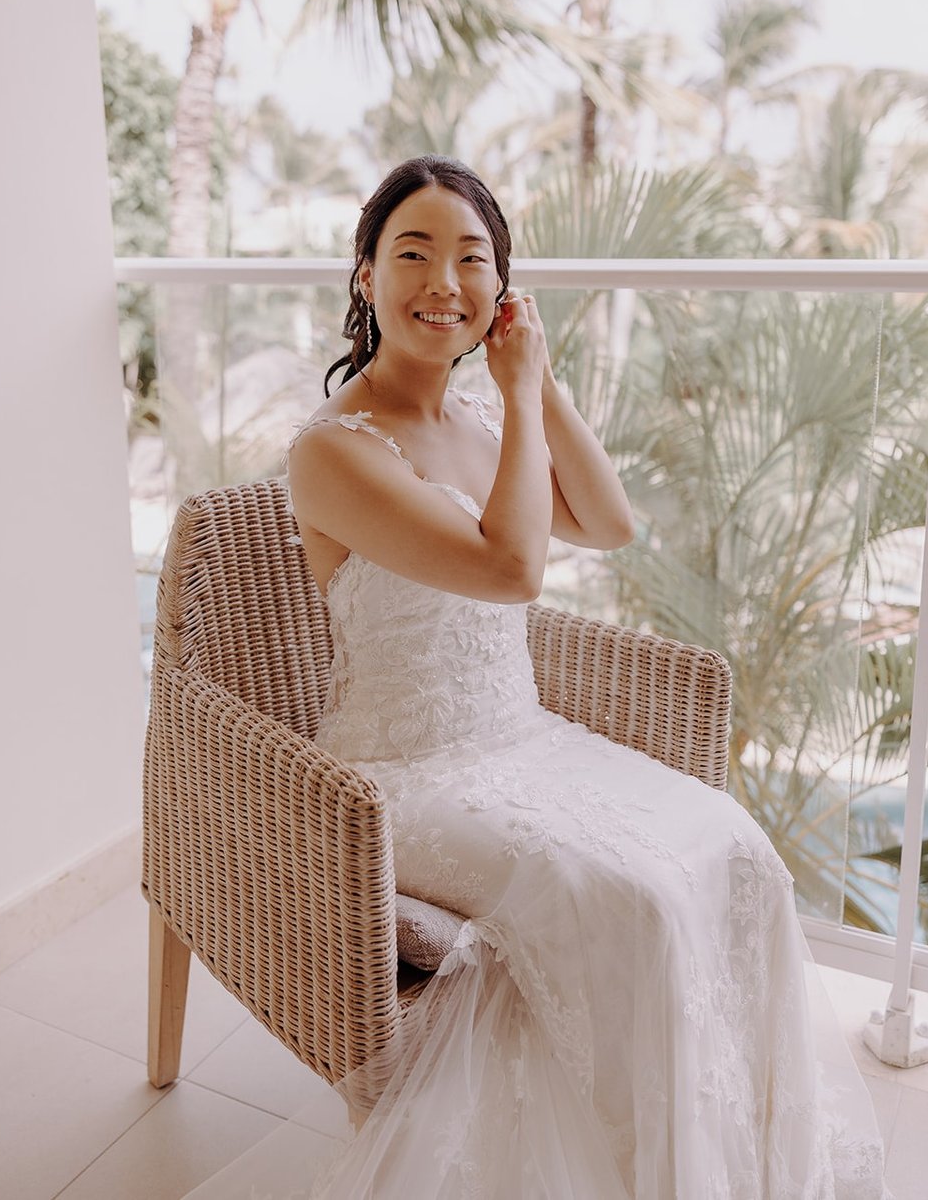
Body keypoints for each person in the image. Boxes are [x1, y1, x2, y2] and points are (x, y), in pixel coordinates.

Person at [187, 155, 890, 1200]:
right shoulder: (332, 451)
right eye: (412, 253)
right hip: (403, 771)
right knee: (637, 904)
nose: (442, 283)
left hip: (522, 739)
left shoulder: (480, 423)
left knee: (737, 848)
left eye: (470, 259)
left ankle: (742, 1167)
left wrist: (536, 383)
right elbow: (512, 569)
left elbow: (607, 523)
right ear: (366, 276)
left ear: (500, 290)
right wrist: (517, 396)